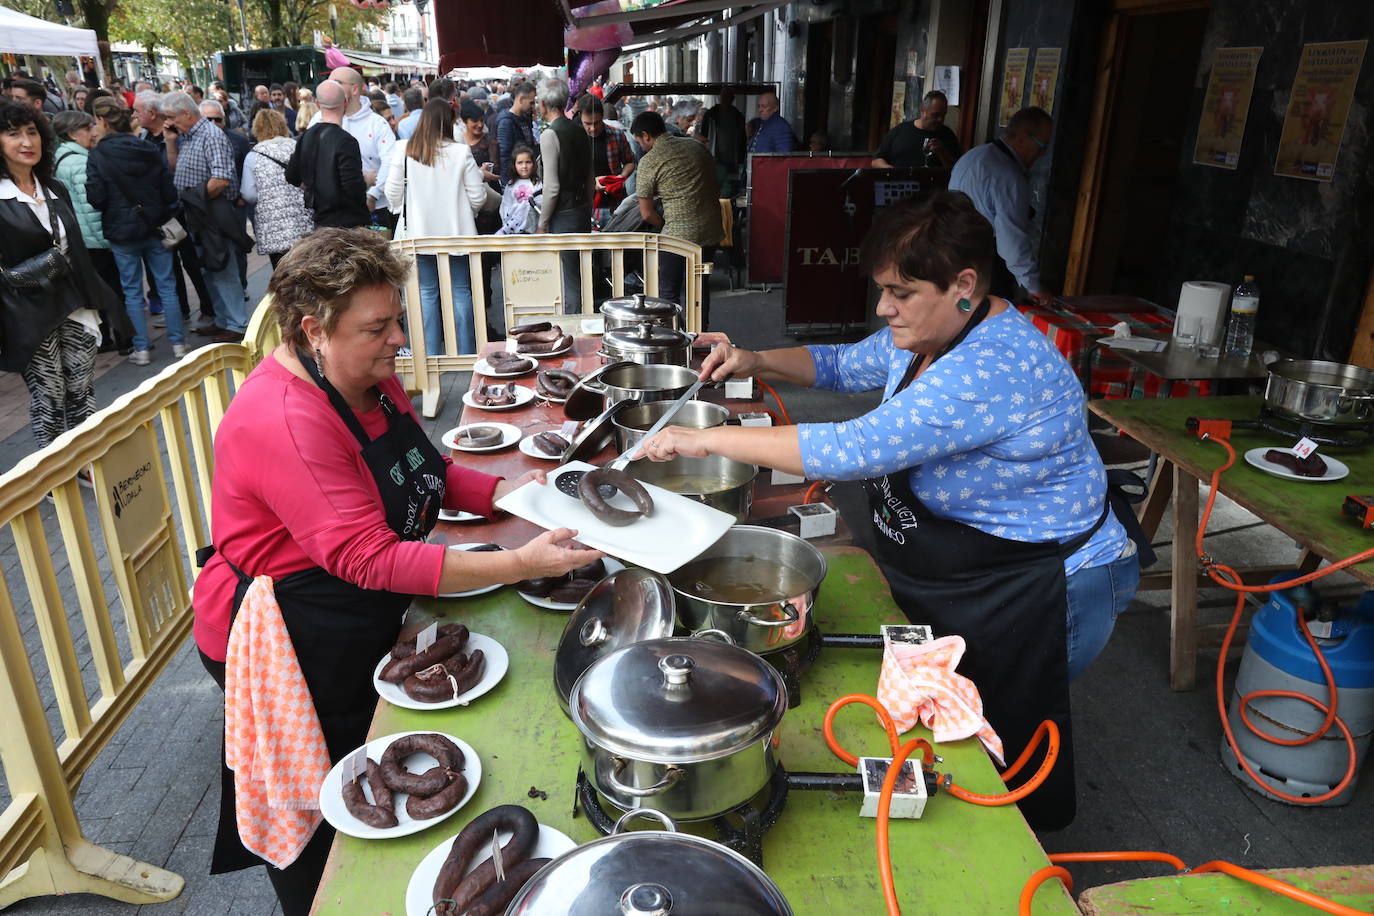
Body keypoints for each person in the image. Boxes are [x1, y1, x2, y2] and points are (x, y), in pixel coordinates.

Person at [641, 191, 1139, 832]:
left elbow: (850, 449)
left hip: (1046, 583)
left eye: (901, 292)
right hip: (973, 566)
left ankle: (1005, 858)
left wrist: (701, 438)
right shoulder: (934, 331)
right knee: (953, 717)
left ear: (964, 284)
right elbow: (843, 363)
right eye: (881, 290)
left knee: (997, 736)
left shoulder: (993, 365)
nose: (884, 308)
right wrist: (756, 358)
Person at [192, 227, 595, 915]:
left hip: (357, 602)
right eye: (377, 328)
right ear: (314, 331)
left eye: (397, 319)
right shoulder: (287, 419)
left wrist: (522, 493)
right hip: (291, 629)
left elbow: (427, 473)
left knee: (385, 766)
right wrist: (519, 562)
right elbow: (369, 559)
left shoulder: (366, 379)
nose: (400, 341)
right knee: (328, 805)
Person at [0, 100, 118, 450]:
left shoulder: (54, 188)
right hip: (26, 311)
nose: (26, 141)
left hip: (73, 302)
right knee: (49, 395)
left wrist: (97, 302)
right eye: (13, 134)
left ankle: (82, 460)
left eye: (32, 132)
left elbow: (77, 253)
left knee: (81, 387)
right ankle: (52, 474)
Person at [86, 96, 188, 365]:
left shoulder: (98, 155)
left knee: (131, 291)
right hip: (154, 227)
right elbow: (168, 190)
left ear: (103, 122)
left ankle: (141, 349)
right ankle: (178, 344)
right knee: (167, 286)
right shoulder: (147, 149)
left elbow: (96, 198)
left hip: (122, 232)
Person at [384, 99, 487, 354]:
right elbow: (479, 196)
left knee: (427, 293)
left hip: (420, 235)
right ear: (450, 122)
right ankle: (465, 353)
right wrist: (466, 212)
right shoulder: (461, 152)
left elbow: (392, 192)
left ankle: (429, 355)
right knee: (461, 292)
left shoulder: (405, 149)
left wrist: (402, 209)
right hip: (457, 235)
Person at [162, 90, 249, 342]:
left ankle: (237, 323)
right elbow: (177, 169)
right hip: (199, 211)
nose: (168, 122)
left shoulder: (211, 136)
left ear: (186, 113)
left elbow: (221, 179)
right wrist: (170, 142)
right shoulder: (187, 136)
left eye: (170, 117)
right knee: (210, 268)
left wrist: (194, 198)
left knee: (223, 267)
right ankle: (224, 319)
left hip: (211, 211)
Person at [948, 106, 1054, 305]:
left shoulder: (973, 156)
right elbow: (1011, 240)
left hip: (953, 257)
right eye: (1041, 146)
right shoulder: (1009, 177)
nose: (1042, 155)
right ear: (1022, 139)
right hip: (984, 268)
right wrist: (1034, 286)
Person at [50, 110, 130, 356]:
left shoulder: (62, 158)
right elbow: (91, 204)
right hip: (95, 237)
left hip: (81, 238)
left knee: (96, 290)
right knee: (113, 289)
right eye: (87, 128)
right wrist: (106, 237)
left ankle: (105, 338)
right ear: (72, 133)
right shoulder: (80, 161)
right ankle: (123, 339)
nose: (93, 132)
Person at [631, 110, 721, 324]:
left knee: (669, 291)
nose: (640, 146)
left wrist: (666, 225)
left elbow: (646, 213)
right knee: (700, 286)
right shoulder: (696, 146)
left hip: (678, 238)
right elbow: (714, 186)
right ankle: (701, 334)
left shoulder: (649, 161)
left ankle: (674, 338)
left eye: (639, 141)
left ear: (646, 135)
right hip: (710, 229)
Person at [534, 78, 592, 315]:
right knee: (580, 272)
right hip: (581, 208)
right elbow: (590, 176)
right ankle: (582, 323)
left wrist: (542, 223)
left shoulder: (550, 135)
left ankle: (572, 329)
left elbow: (552, 187)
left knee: (568, 277)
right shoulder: (580, 129)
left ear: (544, 104)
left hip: (563, 213)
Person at [311, 67, 395, 221]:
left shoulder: (376, 124)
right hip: (331, 210)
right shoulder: (318, 120)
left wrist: (373, 194)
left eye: (336, 83)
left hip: (373, 209)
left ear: (354, 89)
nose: (330, 87)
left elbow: (390, 161)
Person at [286, 80, 368, 231]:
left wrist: (313, 185)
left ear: (317, 103)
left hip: (320, 222)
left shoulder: (306, 137)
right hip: (349, 225)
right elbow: (352, 186)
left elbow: (291, 176)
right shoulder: (346, 141)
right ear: (345, 102)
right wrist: (366, 181)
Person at [241, 109, 312, 268]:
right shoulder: (297, 147)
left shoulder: (253, 156)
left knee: (283, 276)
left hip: (274, 229)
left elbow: (249, 194)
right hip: (305, 223)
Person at [872, 90, 962, 169]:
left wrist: (942, 153)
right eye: (936, 115)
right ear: (923, 111)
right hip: (901, 184)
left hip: (934, 187)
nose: (940, 119)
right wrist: (890, 169)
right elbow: (876, 161)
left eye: (943, 115)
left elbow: (958, 169)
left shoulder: (947, 135)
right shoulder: (900, 131)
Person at [699, 88, 747, 197]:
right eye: (723, 96)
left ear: (732, 99)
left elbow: (742, 139)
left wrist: (740, 159)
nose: (725, 99)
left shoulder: (737, 115)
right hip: (714, 158)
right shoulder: (711, 114)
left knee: (728, 189)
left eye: (727, 97)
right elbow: (704, 136)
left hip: (731, 159)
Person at [494, 80, 536, 184]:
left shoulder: (524, 117)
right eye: (531, 102)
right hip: (513, 179)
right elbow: (505, 155)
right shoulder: (506, 122)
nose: (533, 106)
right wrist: (510, 181)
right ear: (521, 99)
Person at [497, 144, 540, 235]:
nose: (524, 166)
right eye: (520, 163)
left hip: (532, 228)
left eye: (528, 162)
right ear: (514, 165)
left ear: (533, 163)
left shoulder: (537, 184)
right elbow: (506, 205)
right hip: (513, 229)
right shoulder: (511, 184)